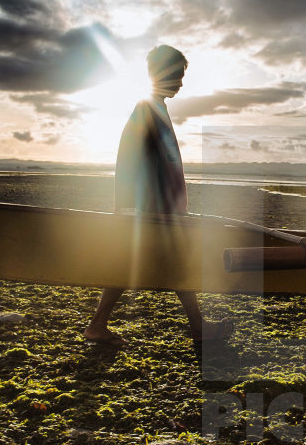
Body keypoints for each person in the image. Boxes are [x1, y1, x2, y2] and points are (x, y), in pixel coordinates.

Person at [84, 45, 232, 348]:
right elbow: (134, 162)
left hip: (155, 208)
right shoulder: (148, 109)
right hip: (151, 210)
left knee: (147, 265)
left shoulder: (154, 108)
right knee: (162, 265)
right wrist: (135, 208)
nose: (180, 82)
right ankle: (197, 328)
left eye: (182, 76)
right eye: (177, 74)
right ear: (160, 73)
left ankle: (99, 325)